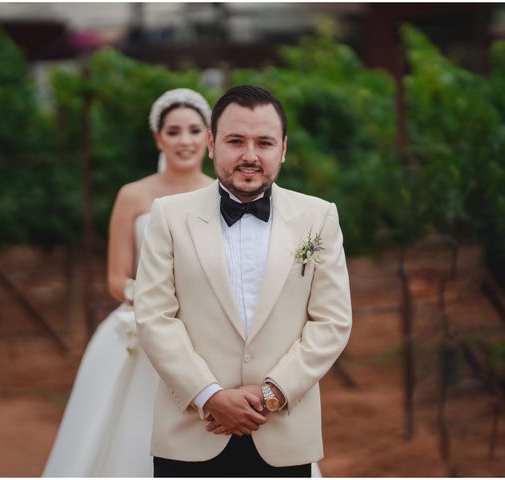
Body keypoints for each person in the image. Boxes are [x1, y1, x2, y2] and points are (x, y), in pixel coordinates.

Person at [134, 85, 352, 477]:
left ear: (283, 149)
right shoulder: (168, 216)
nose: (250, 156)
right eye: (236, 141)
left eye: (264, 142)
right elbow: (154, 317)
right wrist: (209, 396)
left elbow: (332, 322)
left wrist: (271, 394)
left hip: (283, 434)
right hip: (191, 433)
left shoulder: (318, 217)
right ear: (213, 144)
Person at [42, 88, 214, 477]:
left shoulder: (221, 195)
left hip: (205, 331)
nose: (184, 141)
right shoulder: (133, 195)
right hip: (139, 329)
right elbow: (117, 280)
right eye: (173, 131)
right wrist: (158, 304)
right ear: (159, 139)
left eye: (193, 130)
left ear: (209, 136)